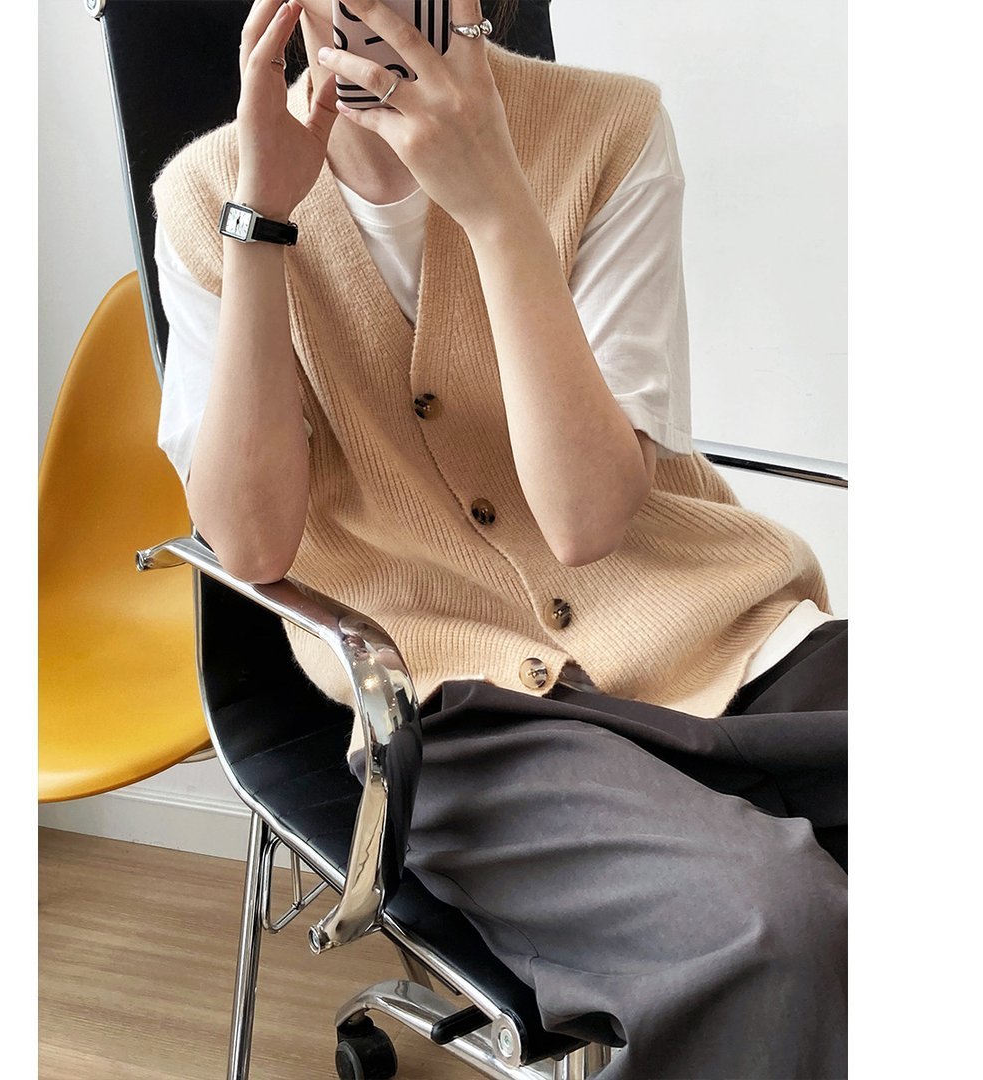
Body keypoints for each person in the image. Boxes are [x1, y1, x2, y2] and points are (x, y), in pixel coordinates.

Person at [151, 2, 848, 1076]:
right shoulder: (211, 196)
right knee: (779, 928)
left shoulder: (610, 129)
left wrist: (497, 205)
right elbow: (249, 546)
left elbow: (586, 517)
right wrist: (264, 221)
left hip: (722, 635)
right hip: (463, 707)